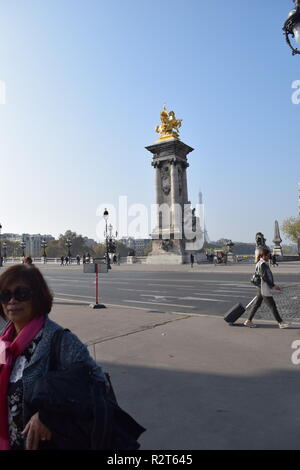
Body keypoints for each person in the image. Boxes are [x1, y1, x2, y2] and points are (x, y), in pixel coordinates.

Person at [0, 264, 110, 450]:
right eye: (5, 295)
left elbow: (99, 385)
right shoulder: (5, 341)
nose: (12, 301)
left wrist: (49, 416)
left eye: (22, 294)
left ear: (38, 297)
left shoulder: (60, 341)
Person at [244, 248, 289, 329]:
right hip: (264, 287)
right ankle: (280, 322)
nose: (269, 256)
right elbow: (265, 277)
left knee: (257, 305)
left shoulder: (259, 263)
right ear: (263, 255)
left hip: (260, 287)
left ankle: (248, 321)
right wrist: (273, 286)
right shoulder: (263, 264)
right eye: (268, 255)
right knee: (272, 305)